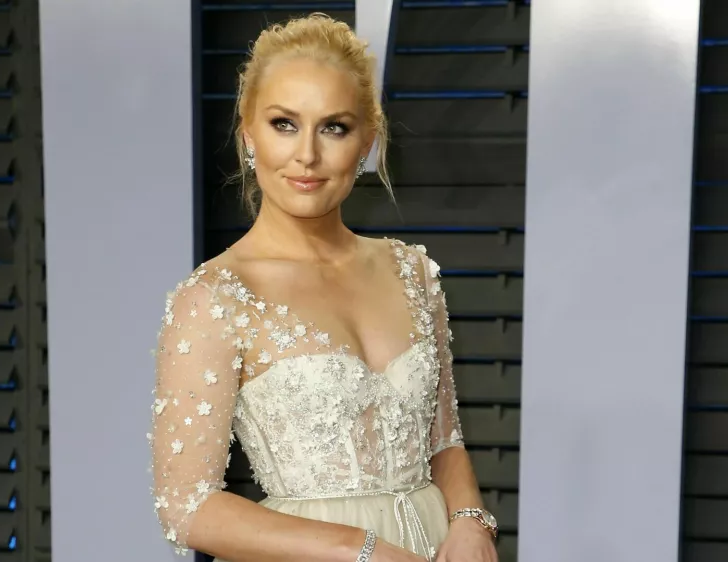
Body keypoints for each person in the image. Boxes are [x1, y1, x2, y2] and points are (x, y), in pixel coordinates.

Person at [148, 13, 498, 562]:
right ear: (248, 134)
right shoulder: (215, 297)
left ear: (366, 143)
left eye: (334, 127)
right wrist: (362, 550)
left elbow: (442, 439)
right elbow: (186, 505)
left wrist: (470, 520)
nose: (306, 155)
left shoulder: (412, 272)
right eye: (284, 123)